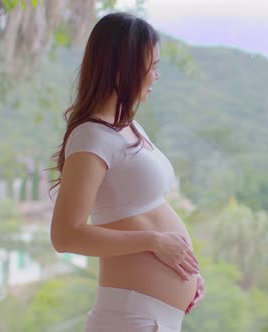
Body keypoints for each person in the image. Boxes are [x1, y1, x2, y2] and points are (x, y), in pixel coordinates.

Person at [49, 12, 205, 332]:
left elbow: (145, 208)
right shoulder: (91, 137)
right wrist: (154, 242)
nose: (157, 76)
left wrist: (187, 272)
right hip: (128, 318)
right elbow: (66, 235)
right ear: (124, 67)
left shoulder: (128, 127)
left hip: (151, 319)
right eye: (153, 66)